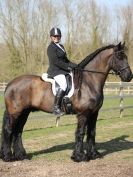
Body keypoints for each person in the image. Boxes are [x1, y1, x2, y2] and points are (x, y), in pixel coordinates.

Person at [47, 27, 77, 116]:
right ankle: (56, 107)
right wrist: (68, 68)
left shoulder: (61, 46)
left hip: (63, 70)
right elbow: (55, 62)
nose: (56, 37)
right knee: (63, 84)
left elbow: (66, 60)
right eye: (54, 36)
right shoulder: (51, 47)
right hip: (55, 70)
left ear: (60, 37)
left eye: (58, 36)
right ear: (51, 37)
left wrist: (76, 66)